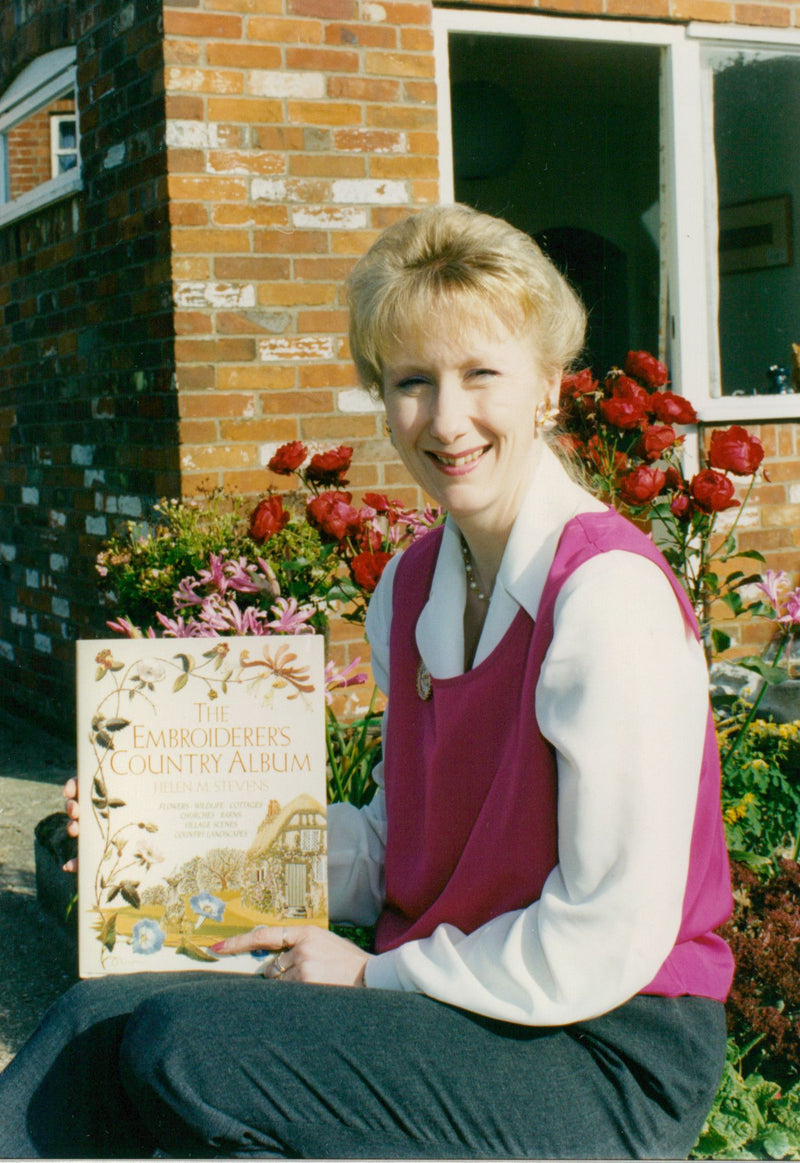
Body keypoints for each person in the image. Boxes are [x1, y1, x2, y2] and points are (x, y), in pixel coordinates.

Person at [0, 204, 733, 1159]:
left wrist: (367, 980)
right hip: (457, 1000)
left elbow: (606, 935)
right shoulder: (413, 585)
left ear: (548, 389)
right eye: (413, 382)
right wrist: (158, 838)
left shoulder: (605, 597)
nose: (447, 418)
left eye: (481, 375)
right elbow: (397, 847)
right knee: (89, 1027)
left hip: (602, 1046)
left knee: (191, 1050)